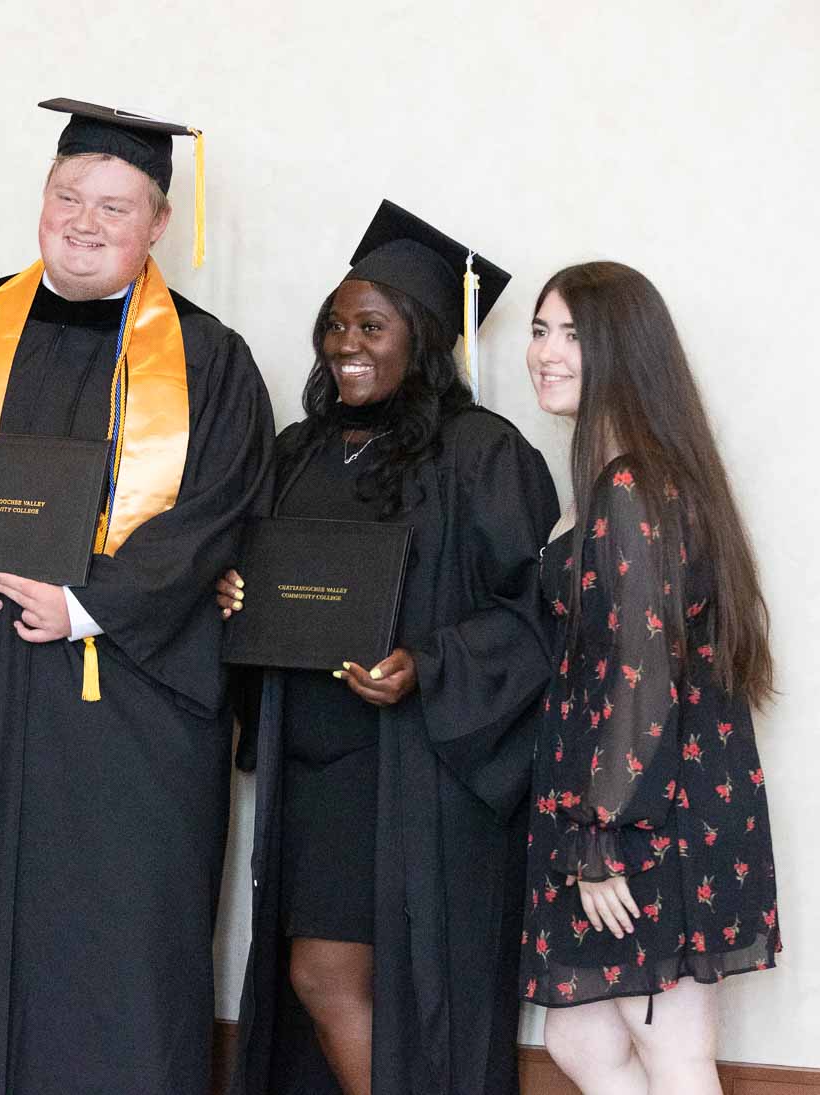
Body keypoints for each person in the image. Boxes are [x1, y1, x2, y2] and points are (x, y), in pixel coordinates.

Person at [0, 98, 275, 1095]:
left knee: (117, 966)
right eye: (68, 195)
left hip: (127, 724)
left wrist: (90, 604)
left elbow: (217, 515)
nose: (84, 222)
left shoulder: (208, 360)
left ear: (159, 223)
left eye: (114, 207)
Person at [225, 201, 559, 1095]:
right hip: (313, 766)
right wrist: (238, 600)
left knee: (363, 980)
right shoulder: (297, 452)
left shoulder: (482, 454)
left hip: (417, 772)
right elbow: (263, 581)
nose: (347, 344)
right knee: (320, 980)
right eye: (335, 325)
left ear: (423, 339)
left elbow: (536, 614)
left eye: (371, 326)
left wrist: (430, 665)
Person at [520, 261, 780, 1095]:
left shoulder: (632, 485)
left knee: (672, 1053)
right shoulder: (621, 476)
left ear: (622, 350)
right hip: (635, 799)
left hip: (644, 812)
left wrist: (603, 836)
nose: (546, 352)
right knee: (580, 1037)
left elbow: (643, 671)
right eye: (539, 330)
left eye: (572, 335)